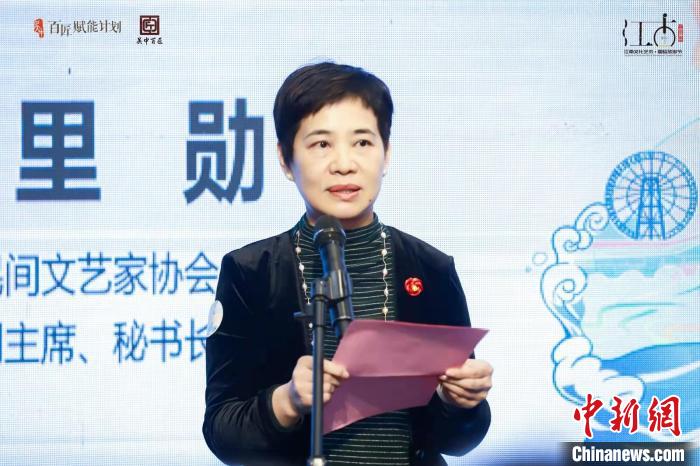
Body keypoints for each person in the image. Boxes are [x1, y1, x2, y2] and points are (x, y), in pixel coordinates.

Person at [203, 62, 492, 466]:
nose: (344, 163)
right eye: (322, 144)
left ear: (386, 154)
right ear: (285, 159)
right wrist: (287, 402)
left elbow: (459, 441)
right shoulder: (251, 272)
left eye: (362, 143)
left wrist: (458, 401)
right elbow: (222, 431)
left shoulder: (429, 269)